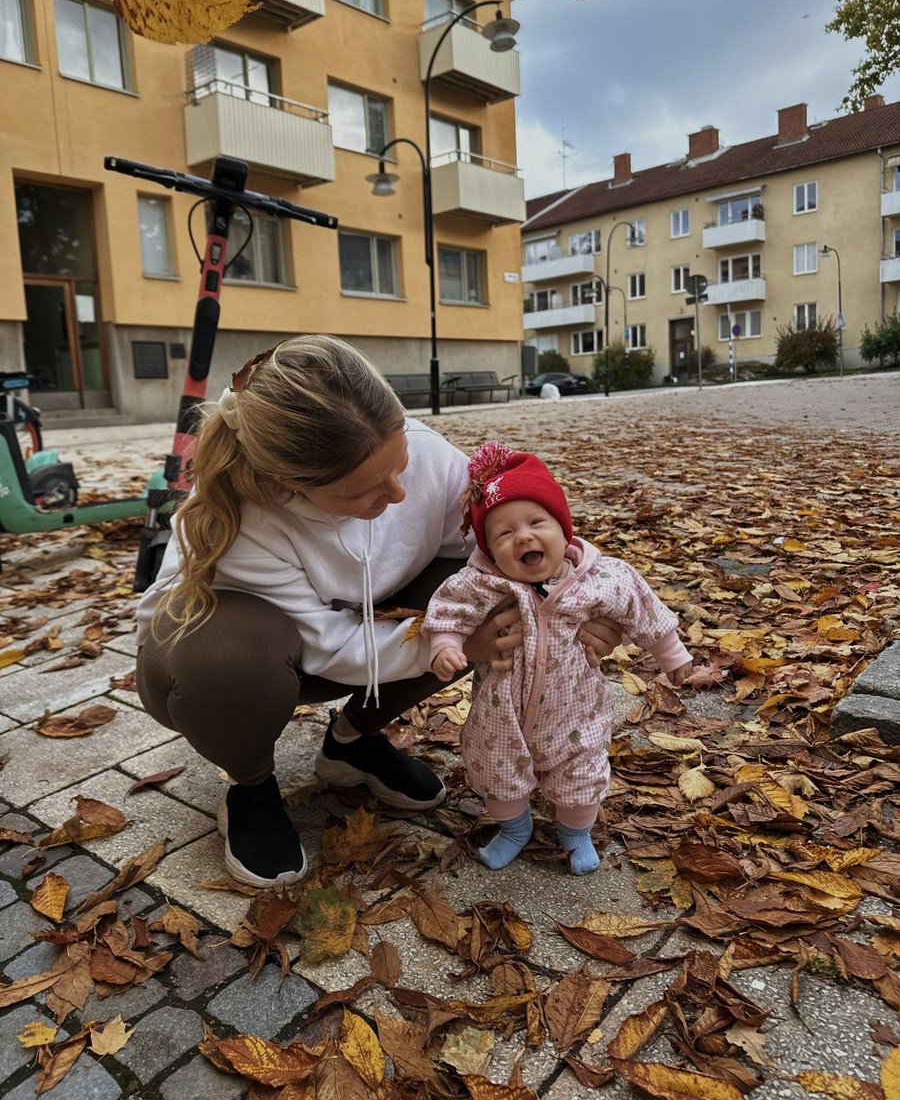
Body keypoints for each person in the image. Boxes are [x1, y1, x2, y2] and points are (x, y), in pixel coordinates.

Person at [134, 337, 621, 889]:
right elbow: (332, 648)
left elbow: (513, 544)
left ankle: (351, 744)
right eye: (363, 492)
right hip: (228, 659)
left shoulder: (424, 453)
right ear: (291, 484)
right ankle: (250, 784)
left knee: (495, 597)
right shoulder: (247, 518)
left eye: (400, 467)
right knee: (225, 656)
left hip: (354, 624)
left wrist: (581, 605)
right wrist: (462, 641)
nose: (396, 494)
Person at [422, 442, 693, 875]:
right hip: (500, 714)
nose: (523, 536)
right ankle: (514, 828)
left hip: (576, 711)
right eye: (504, 534)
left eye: (536, 522)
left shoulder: (601, 578)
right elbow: (448, 610)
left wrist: (671, 653)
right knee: (495, 774)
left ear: (563, 529)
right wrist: (447, 644)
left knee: (581, 777)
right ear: (489, 551)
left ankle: (575, 832)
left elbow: (641, 608)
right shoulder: (481, 583)